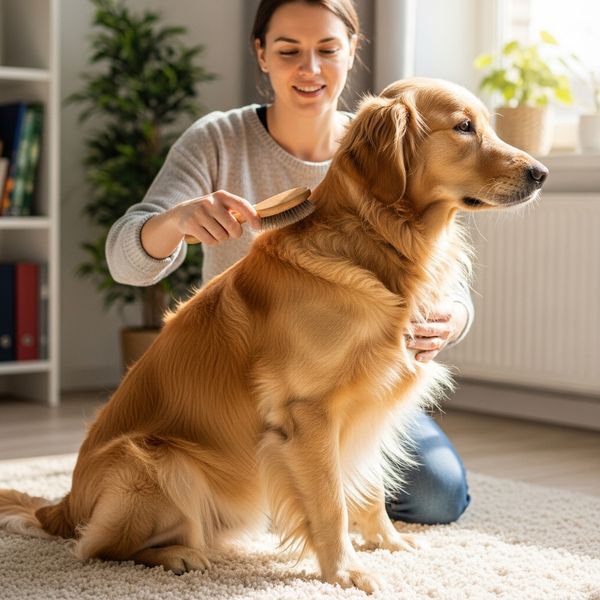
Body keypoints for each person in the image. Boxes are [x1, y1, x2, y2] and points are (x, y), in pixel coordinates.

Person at [106, 0, 472, 525]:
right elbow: (125, 258)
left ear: (352, 51)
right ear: (260, 55)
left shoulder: (387, 142)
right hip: (237, 387)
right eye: (288, 51)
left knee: (439, 496)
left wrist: (455, 317)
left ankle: (291, 488)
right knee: (279, 460)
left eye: (327, 49)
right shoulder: (218, 139)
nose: (310, 69)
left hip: (354, 386)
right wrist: (176, 222)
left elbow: (440, 273)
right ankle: (276, 488)